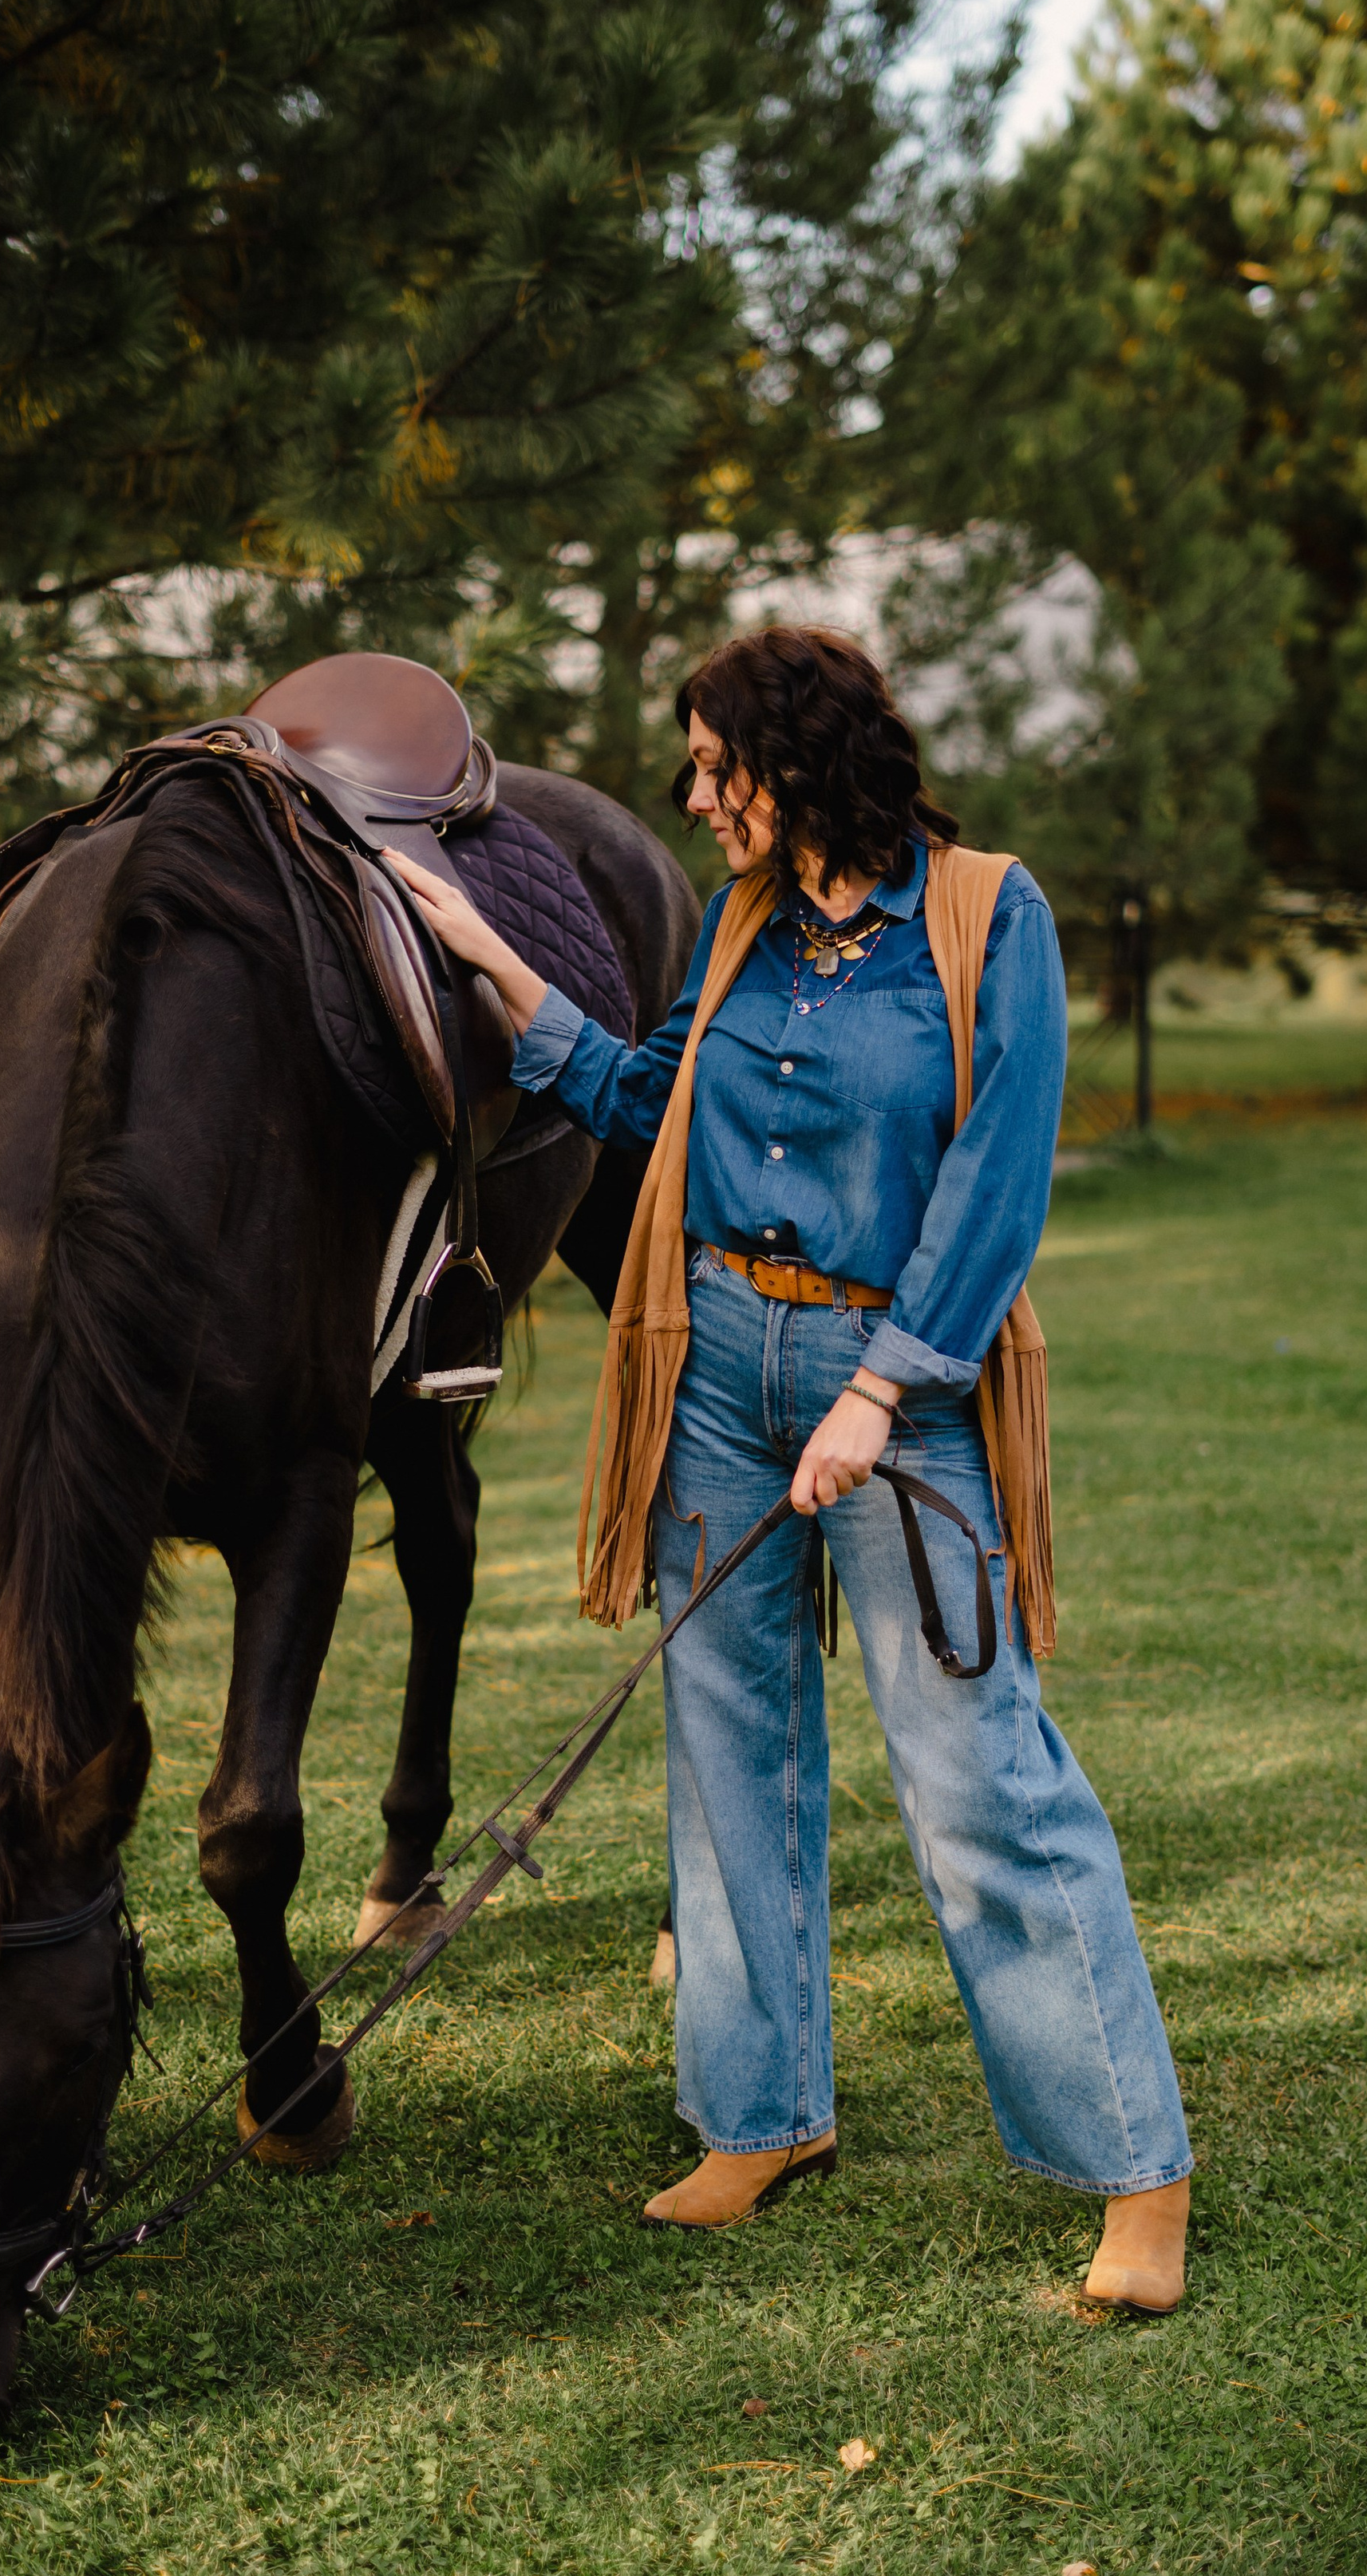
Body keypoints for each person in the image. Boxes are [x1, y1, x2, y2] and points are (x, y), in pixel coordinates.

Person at [385, 626, 1191, 2313]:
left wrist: (884, 1388)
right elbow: (649, 1095)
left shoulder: (986, 917)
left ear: (798, 756)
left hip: (899, 1395)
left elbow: (994, 1179)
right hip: (712, 1374)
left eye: (711, 765)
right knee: (726, 1760)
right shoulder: (747, 925)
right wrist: (495, 972)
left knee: (979, 1781)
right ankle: (758, 2115)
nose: (693, 797)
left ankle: (1134, 2175)